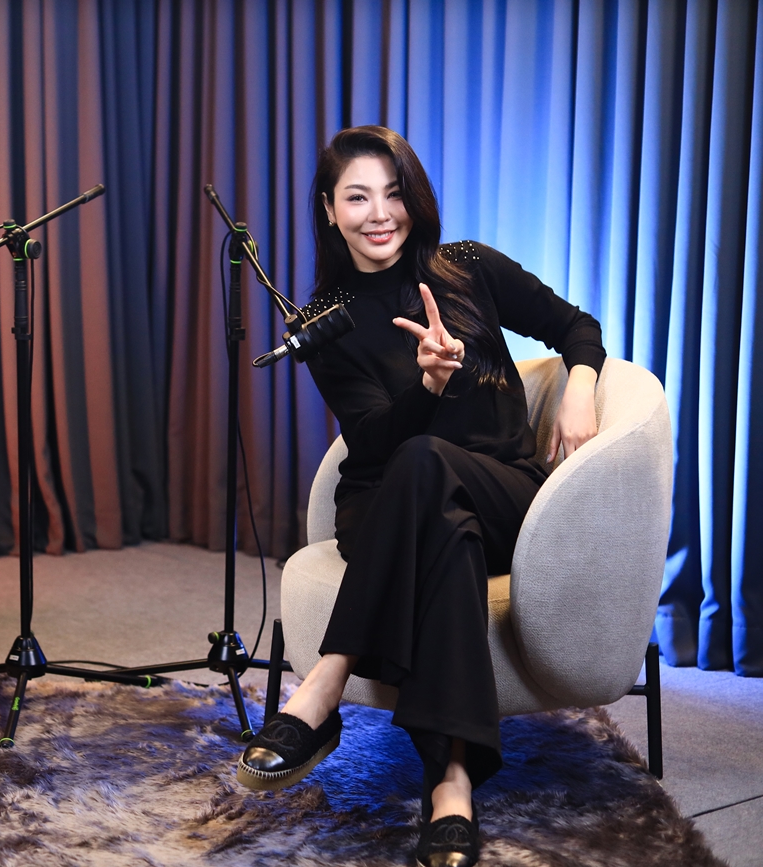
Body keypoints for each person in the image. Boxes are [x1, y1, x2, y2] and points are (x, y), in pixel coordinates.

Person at [235, 126, 605, 867]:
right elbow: (371, 442)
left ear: (416, 197)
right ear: (329, 209)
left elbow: (575, 326)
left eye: (394, 193)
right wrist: (429, 386)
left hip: (501, 491)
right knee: (438, 515)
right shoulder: (325, 321)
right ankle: (452, 783)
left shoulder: (468, 267)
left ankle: (326, 678)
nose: (380, 214)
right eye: (357, 198)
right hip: (386, 504)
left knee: (431, 466)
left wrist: (580, 386)